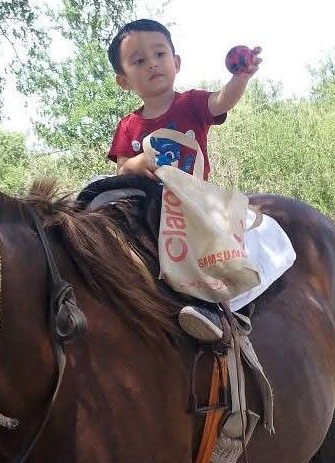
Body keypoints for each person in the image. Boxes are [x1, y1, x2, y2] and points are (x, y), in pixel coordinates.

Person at [107, 18, 262, 342]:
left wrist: (240, 77)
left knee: (203, 245)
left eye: (159, 54)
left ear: (176, 62)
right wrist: (137, 162)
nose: (152, 64)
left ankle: (212, 308)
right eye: (138, 61)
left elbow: (223, 101)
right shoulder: (127, 126)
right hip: (146, 202)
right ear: (124, 80)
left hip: (192, 200)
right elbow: (121, 169)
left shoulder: (190, 103)